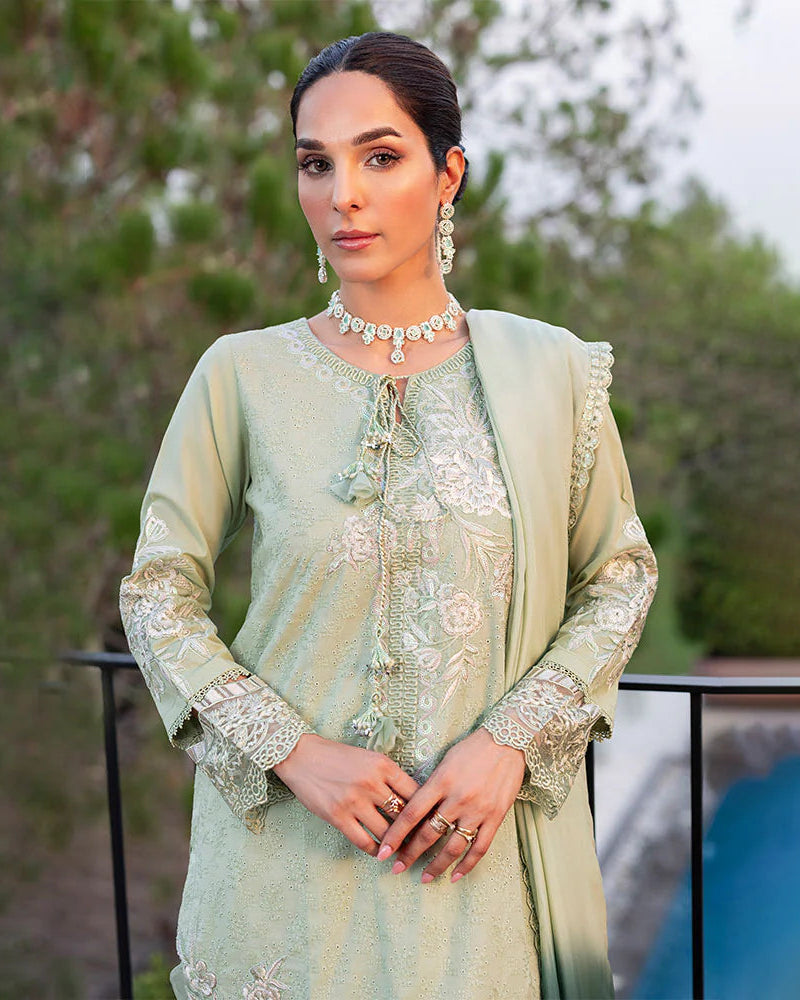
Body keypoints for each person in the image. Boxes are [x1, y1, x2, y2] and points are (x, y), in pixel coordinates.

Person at [119, 30, 658, 1000]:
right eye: (315, 164)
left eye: (379, 157)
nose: (343, 196)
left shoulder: (550, 376)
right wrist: (292, 752)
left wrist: (510, 742)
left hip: (475, 876)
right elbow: (158, 593)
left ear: (448, 174)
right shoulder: (241, 374)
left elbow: (617, 578)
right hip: (280, 875)